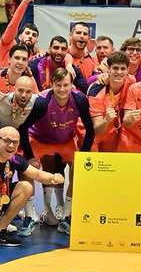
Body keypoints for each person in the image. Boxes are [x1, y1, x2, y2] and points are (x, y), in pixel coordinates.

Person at [28, 67, 94, 231]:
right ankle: (40, 212)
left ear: (72, 85)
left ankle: (66, 216)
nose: (62, 89)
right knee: (27, 169)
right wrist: (29, 156)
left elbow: (90, 130)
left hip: (65, 140)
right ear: (52, 85)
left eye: (66, 85)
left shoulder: (80, 100)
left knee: (78, 169)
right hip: (40, 139)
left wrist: (83, 156)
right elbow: (23, 128)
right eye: (58, 85)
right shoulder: (42, 102)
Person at [89, 51, 135, 152]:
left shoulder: (131, 81)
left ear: (128, 70)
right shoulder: (96, 89)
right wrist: (106, 120)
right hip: (93, 131)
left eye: (123, 69)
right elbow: (96, 129)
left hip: (112, 130)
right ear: (108, 70)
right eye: (115, 68)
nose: (119, 72)